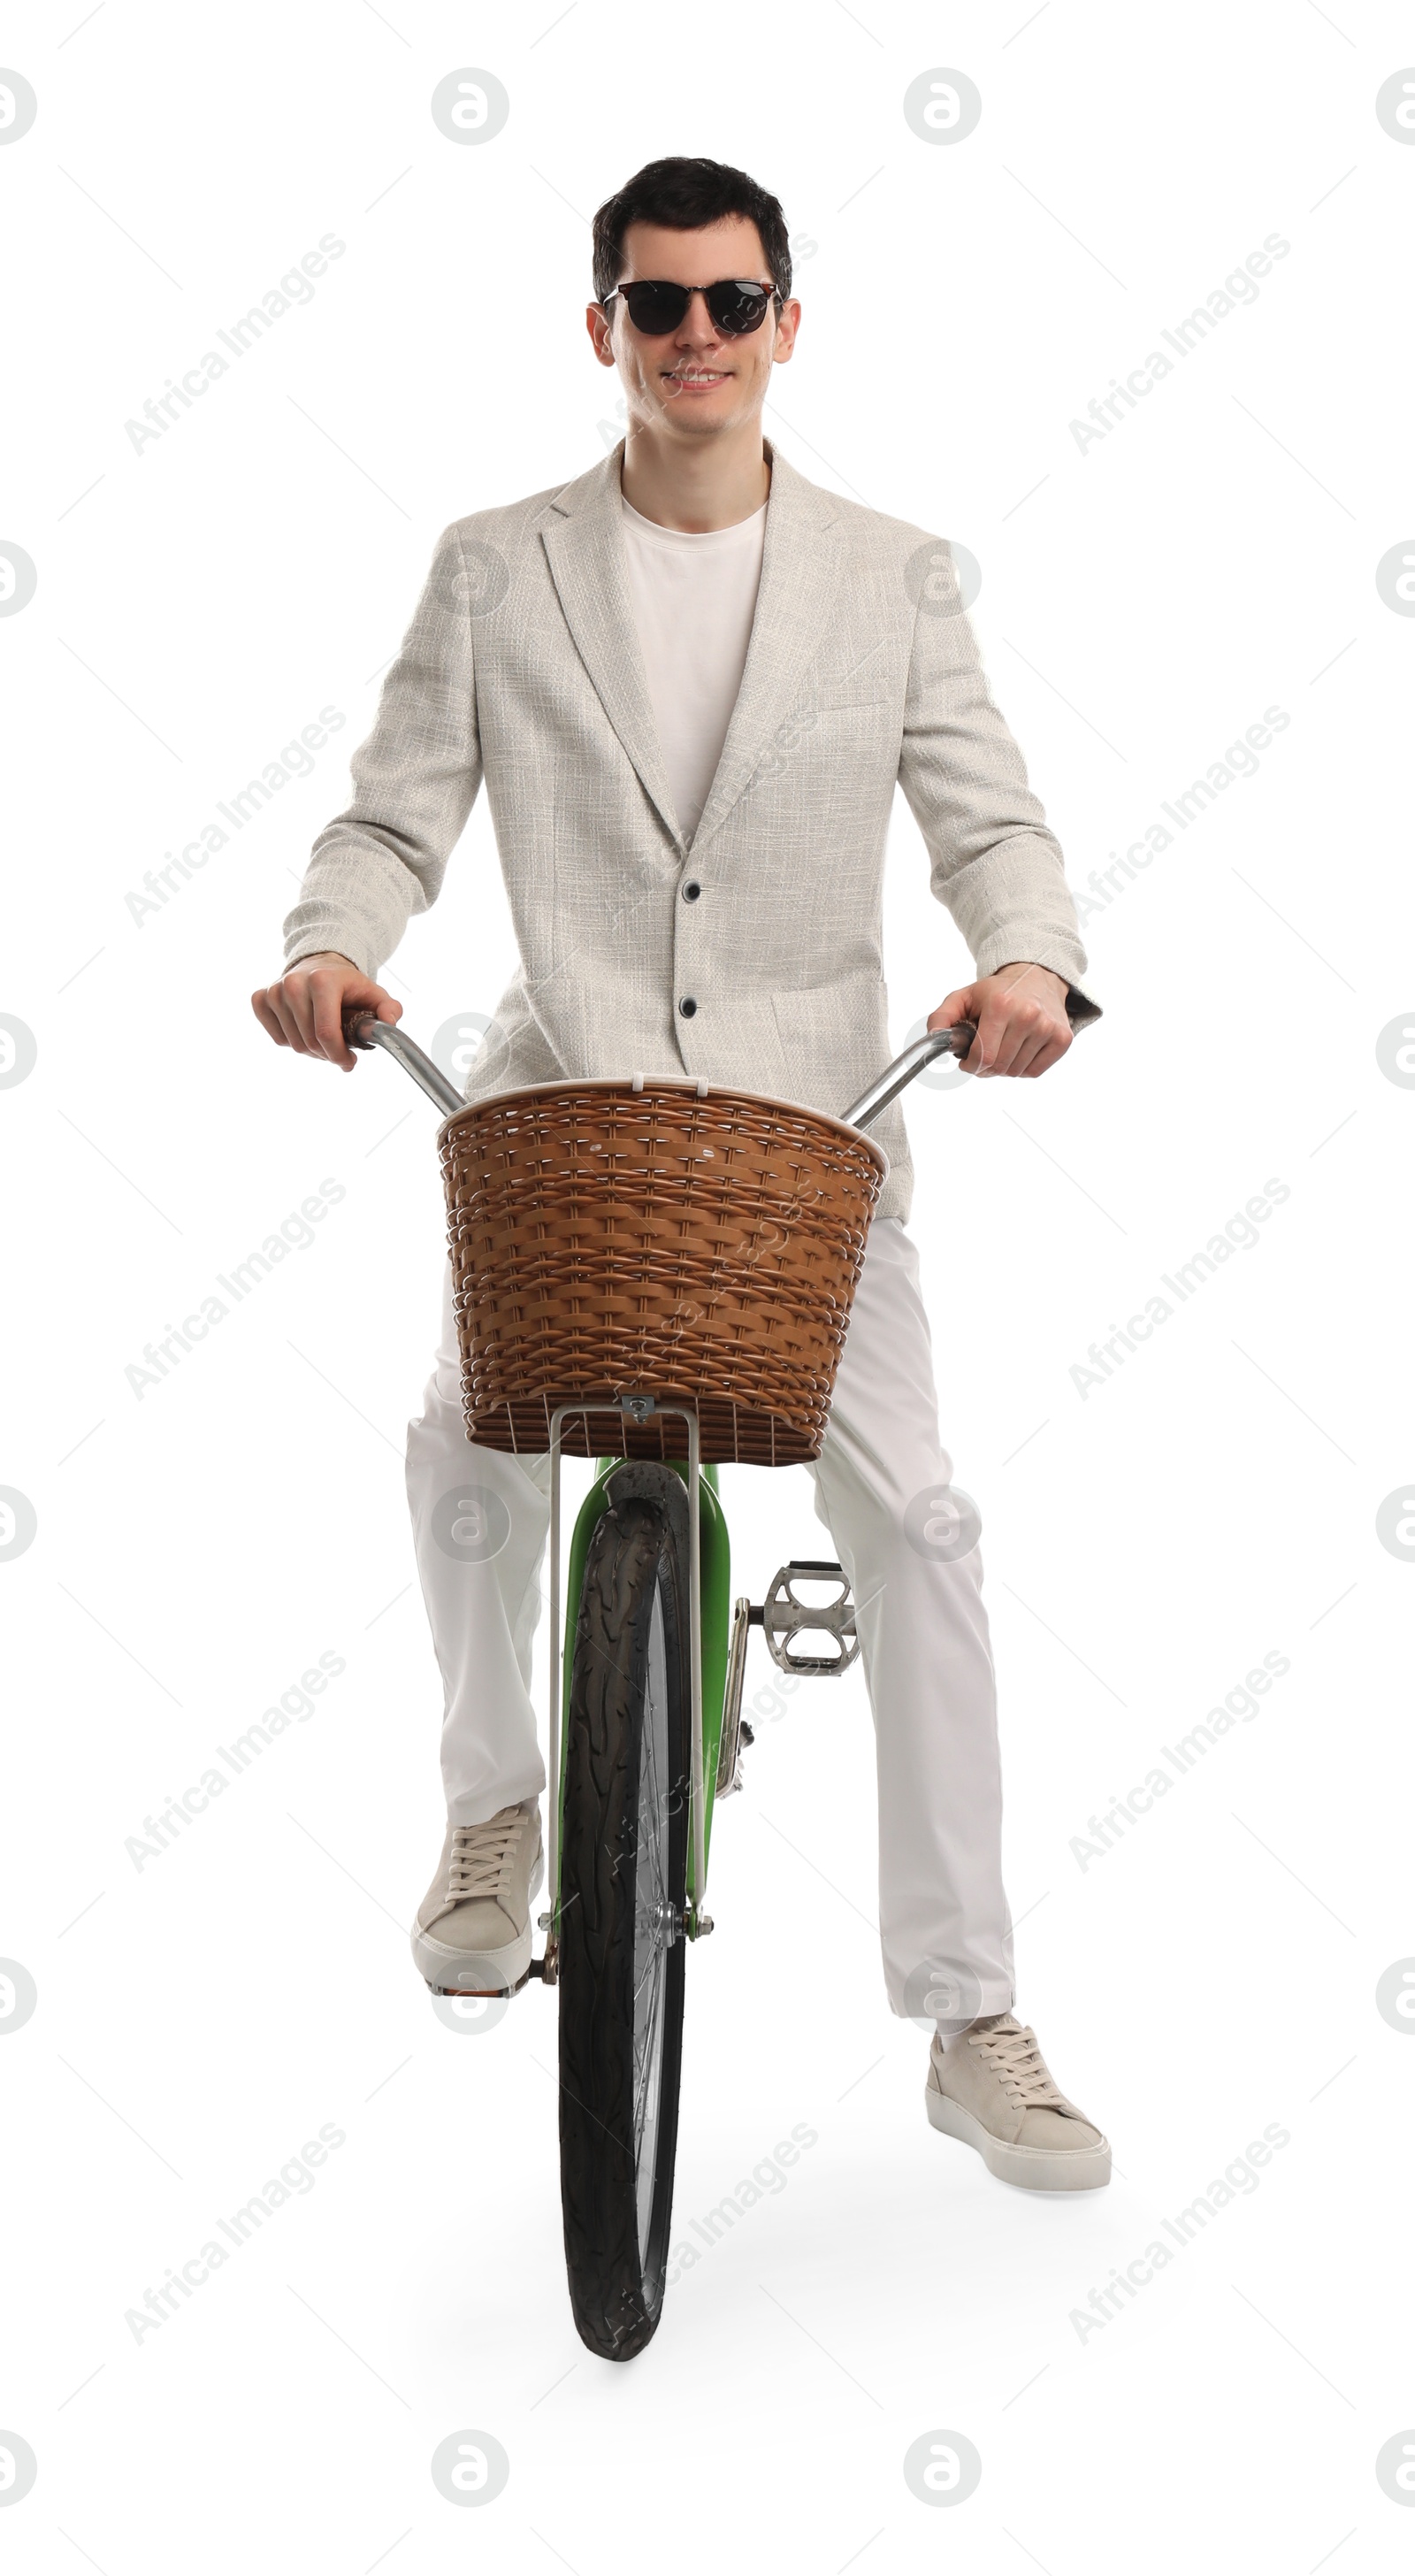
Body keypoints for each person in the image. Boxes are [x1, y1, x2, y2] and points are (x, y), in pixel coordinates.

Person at [254, 155, 1111, 2192]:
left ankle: (968, 2006)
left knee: (921, 1525)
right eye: (659, 307)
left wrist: (1029, 961)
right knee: (453, 1434)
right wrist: (327, 942)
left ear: (786, 325)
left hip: (816, 1132)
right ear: (603, 332)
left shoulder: (892, 573)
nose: (698, 338)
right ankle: (498, 1808)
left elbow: (991, 821)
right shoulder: (493, 566)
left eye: (734, 303)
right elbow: (392, 815)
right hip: (572, 1117)